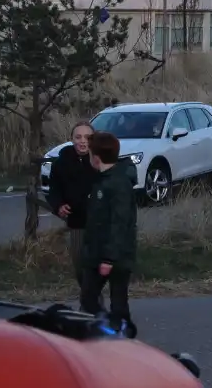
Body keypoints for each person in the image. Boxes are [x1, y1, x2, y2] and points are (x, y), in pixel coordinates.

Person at [79, 132, 138, 333]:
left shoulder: (118, 184)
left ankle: (122, 332)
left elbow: (119, 223)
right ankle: (108, 329)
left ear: (96, 157)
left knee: (116, 302)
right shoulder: (101, 180)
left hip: (114, 256)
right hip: (97, 252)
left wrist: (109, 259)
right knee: (88, 298)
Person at [45, 122, 98, 286]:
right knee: (80, 266)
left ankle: (96, 302)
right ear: (72, 139)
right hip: (77, 223)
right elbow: (54, 190)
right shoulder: (61, 164)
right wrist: (59, 205)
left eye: (87, 137)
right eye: (78, 137)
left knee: (98, 266)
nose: (83, 141)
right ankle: (89, 301)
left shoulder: (100, 160)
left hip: (100, 223)